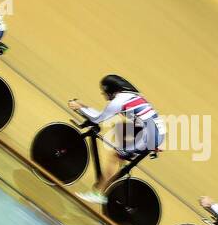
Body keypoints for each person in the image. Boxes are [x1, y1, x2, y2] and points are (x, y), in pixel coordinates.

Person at [68, 75, 165, 203]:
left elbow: (98, 118)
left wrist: (80, 108)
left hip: (150, 134)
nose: (103, 94)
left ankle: (98, 193)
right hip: (153, 130)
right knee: (121, 128)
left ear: (112, 90)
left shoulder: (118, 101)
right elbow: (102, 115)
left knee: (115, 156)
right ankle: (116, 174)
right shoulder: (130, 96)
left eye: (104, 91)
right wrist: (84, 106)